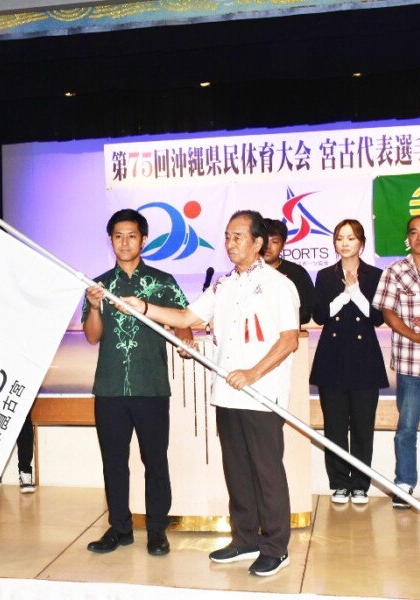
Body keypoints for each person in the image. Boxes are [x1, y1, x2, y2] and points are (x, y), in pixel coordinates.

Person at [119, 210, 299, 577]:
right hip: (227, 395)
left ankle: (276, 547)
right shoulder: (223, 285)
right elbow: (187, 318)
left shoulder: (279, 285)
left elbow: (289, 340)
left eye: (238, 237)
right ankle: (245, 539)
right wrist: (144, 307)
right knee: (237, 472)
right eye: (227, 236)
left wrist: (253, 373)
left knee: (266, 473)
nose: (230, 243)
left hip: (261, 395)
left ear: (258, 242)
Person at [82, 208, 192, 557]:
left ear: (143, 240)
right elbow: (92, 337)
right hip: (110, 388)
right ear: (111, 240)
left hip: (151, 385)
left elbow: (184, 322)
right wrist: (94, 307)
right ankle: (119, 528)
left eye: (131, 236)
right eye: (118, 236)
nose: (125, 242)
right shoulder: (99, 285)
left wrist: (186, 341)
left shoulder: (162, 281)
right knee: (114, 462)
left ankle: (157, 530)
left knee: (155, 461)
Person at [309, 219, 388, 505]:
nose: (345, 243)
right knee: (335, 426)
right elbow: (319, 316)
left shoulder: (376, 275)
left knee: (363, 426)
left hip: (365, 360)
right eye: (340, 238)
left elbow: (377, 318)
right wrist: (344, 296)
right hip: (332, 359)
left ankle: (360, 485)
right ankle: (340, 483)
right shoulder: (325, 275)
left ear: (361, 243)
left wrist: (356, 293)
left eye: (351, 238)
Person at [373, 214, 420, 509]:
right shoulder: (395, 271)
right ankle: (405, 483)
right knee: (407, 424)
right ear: (407, 238)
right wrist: (416, 336)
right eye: (414, 232)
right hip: (411, 356)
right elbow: (387, 312)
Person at [263, 218, 315, 326]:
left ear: (283, 245)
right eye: (264, 240)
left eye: (274, 242)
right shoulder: (246, 273)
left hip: (287, 333)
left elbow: (306, 312)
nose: (268, 246)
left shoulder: (297, 273)